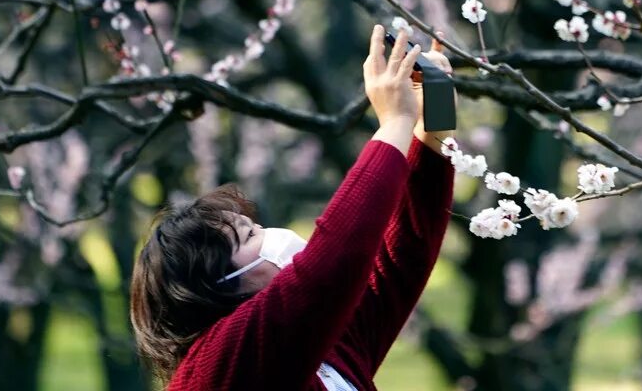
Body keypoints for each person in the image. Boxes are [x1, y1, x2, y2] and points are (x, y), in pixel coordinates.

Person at [129, 25, 456, 390]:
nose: (270, 234)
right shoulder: (224, 362)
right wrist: (395, 122)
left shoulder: (325, 350)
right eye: (249, 235)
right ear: (217, 285)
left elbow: (402, 258)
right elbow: (336, 260)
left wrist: (434, 120)